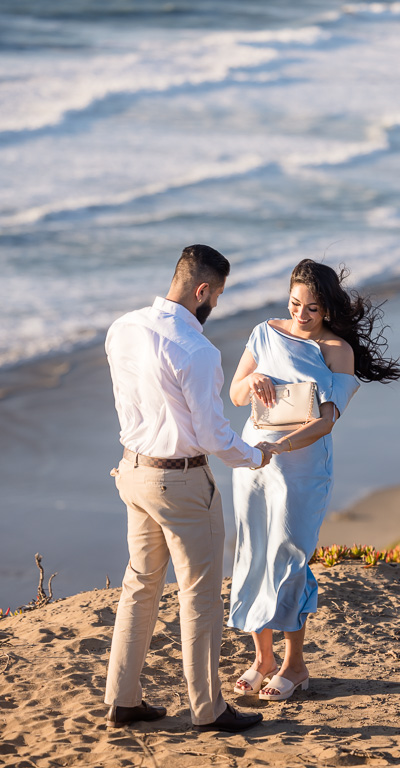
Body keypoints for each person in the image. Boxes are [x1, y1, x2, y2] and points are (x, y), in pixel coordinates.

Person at [104, 244, 272, 732]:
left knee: (140, 585)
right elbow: (211, 435)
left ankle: (122, 699)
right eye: (216, 296)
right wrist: (256, 456)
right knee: (199, 594)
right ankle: (208, 709)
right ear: (202, 289)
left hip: (132, 471)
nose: (215, 305)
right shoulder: (197, 350)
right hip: (179, 481)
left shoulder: (123, 328)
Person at [228, 259, 400, 701]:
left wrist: (279, 448)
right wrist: (253, 380)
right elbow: (234, 394)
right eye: (294, 304)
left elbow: (327, 421)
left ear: (327, 308)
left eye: (311, 308)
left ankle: (295, 665)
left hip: (300, 465)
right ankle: (261, 659)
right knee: (253, 552)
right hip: (253, 460)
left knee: (289, 557)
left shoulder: (336, 351)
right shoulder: (264, 332)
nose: (300, 315)